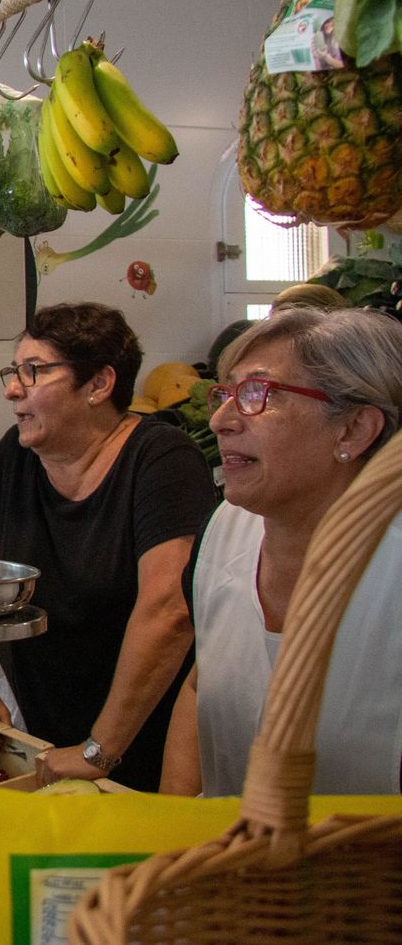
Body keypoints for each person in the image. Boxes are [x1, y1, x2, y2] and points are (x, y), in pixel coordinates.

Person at [0, 302, 216, 791]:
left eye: (34, 371)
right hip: (51, 734)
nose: (13, 388)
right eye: (14, 371)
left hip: (146, 741)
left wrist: (100, 749)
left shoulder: (162, 460)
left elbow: (169, 610)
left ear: (99, 384)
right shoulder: (16, 454)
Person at [162, 307, 402, 796]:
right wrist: (178, 830)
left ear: (354, 430)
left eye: (257, 394)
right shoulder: (225, 531)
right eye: (225, 394)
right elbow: (201, 683)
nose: (221, 419)